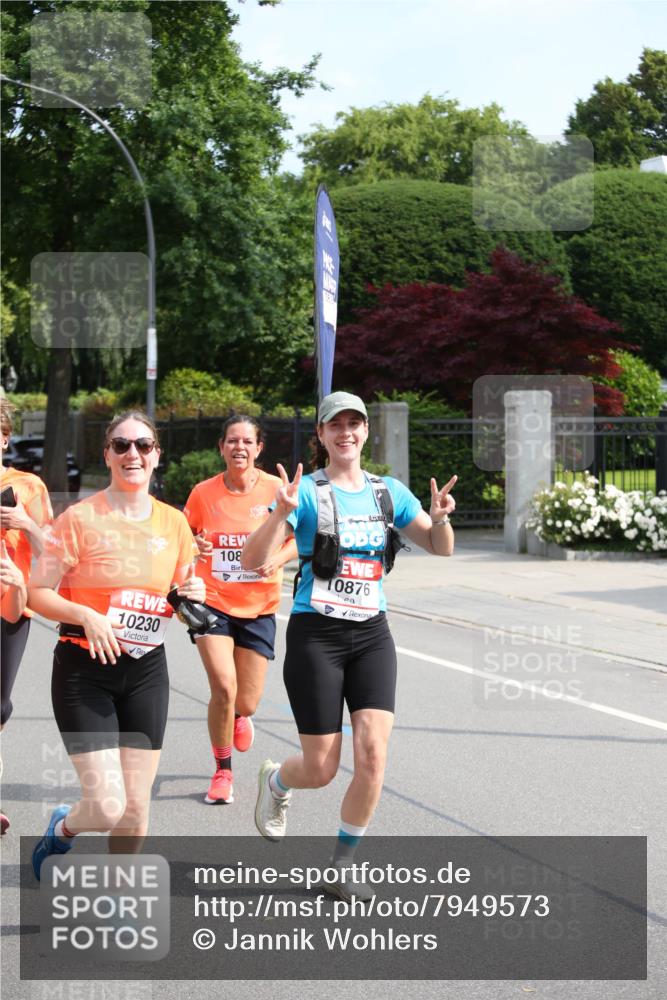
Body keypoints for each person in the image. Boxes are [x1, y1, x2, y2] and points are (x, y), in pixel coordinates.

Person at [242, 391, 456, 900]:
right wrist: (280, 515)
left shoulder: (389, 492)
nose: (346, 433)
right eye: (335, 425)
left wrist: (441, 516)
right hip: (318, 634)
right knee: (321, 768)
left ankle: (340, 866)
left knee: (374, 756)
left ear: (365, 432)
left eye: (354, 424)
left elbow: (439, 547)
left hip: (372, 634)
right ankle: (277, 782)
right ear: (321, 435)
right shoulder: (305, 493)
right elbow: (254, 559)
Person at [28, 411, 204, 878]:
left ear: (156, 455)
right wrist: (86, 615)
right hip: (84, 671)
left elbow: (183, 591)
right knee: (106, 806)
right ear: (106, 454)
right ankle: (64, 828)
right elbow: (36, 591)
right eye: (122, 445)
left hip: (145, 671)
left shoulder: (174, 523)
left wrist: (193, 596)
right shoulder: (78, 519)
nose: (133, 454)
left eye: (143, 446)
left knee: (135, 807)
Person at [183, 415, 297, 804]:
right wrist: (195, 547)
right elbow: (184, 538)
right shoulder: (203, 493)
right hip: (212, 602)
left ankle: (239, 715)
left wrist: (279, 557)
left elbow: (304, 535)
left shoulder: (276, 489)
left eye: (247, 441)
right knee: (223, 687)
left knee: (245, 701)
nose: (239, 448)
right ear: (221, 447)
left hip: (259, 604)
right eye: (232, 441)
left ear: (259, 448)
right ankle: (222, 772)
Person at [1, 397, 53, 835]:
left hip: (10, 606)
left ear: (4, 438)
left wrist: (25, 522)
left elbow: (51, 558)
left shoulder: (28, 488)